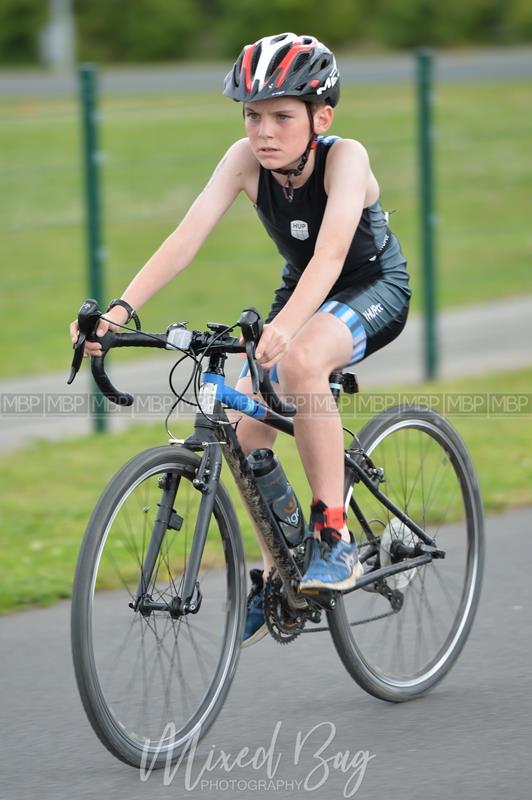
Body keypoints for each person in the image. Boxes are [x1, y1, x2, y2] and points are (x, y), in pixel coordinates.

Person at [70, 32, 411, 648]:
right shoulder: (244, 160)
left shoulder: (346, 158)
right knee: (245, 423)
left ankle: (333, 535)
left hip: (370, 284)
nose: (264, 131)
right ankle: (275, 571)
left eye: (283, 116)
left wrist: (288, 331)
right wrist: (120, 311)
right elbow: (186, 235)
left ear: (320, 117)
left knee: (303, 364)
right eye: (253, 115)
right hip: (301, 290)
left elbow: (332, 255)